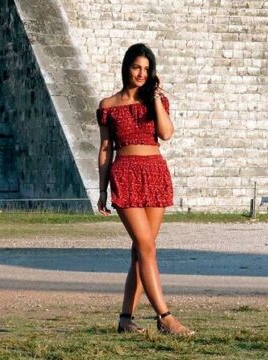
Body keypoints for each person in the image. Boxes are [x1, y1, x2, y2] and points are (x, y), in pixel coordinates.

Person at [96, 43, 194, 336]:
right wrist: (102, 190)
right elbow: (105, 149)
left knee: (141, 252)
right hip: (125, 174)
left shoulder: (156, 101)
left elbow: (166, 133)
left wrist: (155, 99)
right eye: (136, 67)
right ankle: (165, 317)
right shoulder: (107, 106)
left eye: (147, 69)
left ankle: (126, 319)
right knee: (146, 247)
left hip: (155, 172)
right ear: (126, 66)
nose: (141, 73)